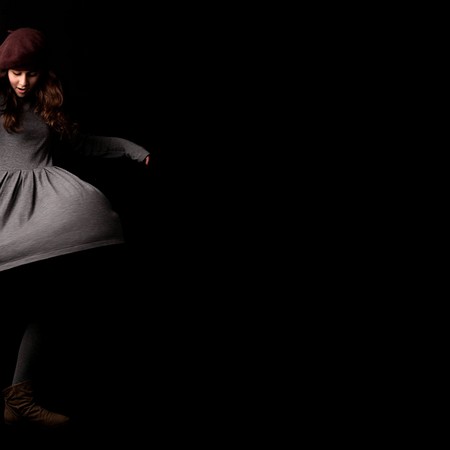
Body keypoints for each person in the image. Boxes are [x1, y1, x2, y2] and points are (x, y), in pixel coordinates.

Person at [0, 27, 152, 430]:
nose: (22, 81)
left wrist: (136, 151)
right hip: (4, 208)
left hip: (41, 208)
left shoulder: (47, 108)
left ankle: (19, 397)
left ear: (43, 72)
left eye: (31, 72)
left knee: (49, 303)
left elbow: (85, 144)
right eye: (15, 72)